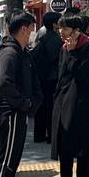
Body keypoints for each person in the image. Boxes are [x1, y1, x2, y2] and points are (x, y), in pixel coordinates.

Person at [51, 15, 89, 177]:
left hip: (81, 103)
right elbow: (61, 75)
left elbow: (82, 75)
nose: (61, 32)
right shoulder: (64, 47)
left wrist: (72, 53)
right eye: (60, 28)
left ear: (76, 31)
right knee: (65, 147)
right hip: (63, 102)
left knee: (83, 148)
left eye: (65, 28)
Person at [0, 11, 42, 177]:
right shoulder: (9, 53)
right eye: (32, 28)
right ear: (24, 29)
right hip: (11, 113)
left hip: (18, 112)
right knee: (7, 161)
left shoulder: (22, 52)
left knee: (13, 159)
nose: (33, 31)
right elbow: (4, 84)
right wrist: (24, 103)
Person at [33, 12, 63, 144]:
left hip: (41, 77)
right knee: (52, 107)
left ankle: (39, 135)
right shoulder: (57, 40)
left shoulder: (42, 39)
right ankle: (52, 135)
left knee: (41, 107)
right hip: (53, 77)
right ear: (55, 24)